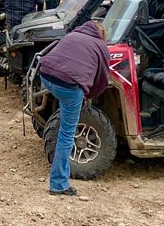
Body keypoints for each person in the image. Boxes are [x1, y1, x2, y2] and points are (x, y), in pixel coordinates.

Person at [37, 21, 111, 196]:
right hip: (69, 86)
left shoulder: (72, 35)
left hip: (46, 75)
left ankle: (61, 113)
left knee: (66, 105)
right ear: (102, 35)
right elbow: (102, 81)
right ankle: (59, 183)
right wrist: (86, 96)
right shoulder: (101, 47)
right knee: (66, 133)